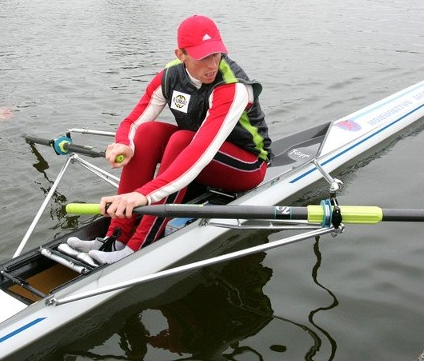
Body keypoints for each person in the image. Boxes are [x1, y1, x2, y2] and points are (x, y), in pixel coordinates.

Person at [66, 15, 272, 264]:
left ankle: (136, 248)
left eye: (216, 54)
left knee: (182, 141)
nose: (212, 65)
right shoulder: (170, 76)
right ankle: (115, 237)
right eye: (202, 57)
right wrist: (124, 143)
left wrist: (145, 195)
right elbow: (133, 122)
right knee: (147, 133)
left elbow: (198, 152)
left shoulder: (233, 87)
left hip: (247, 166)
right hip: (200, 153)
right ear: (181, 54)